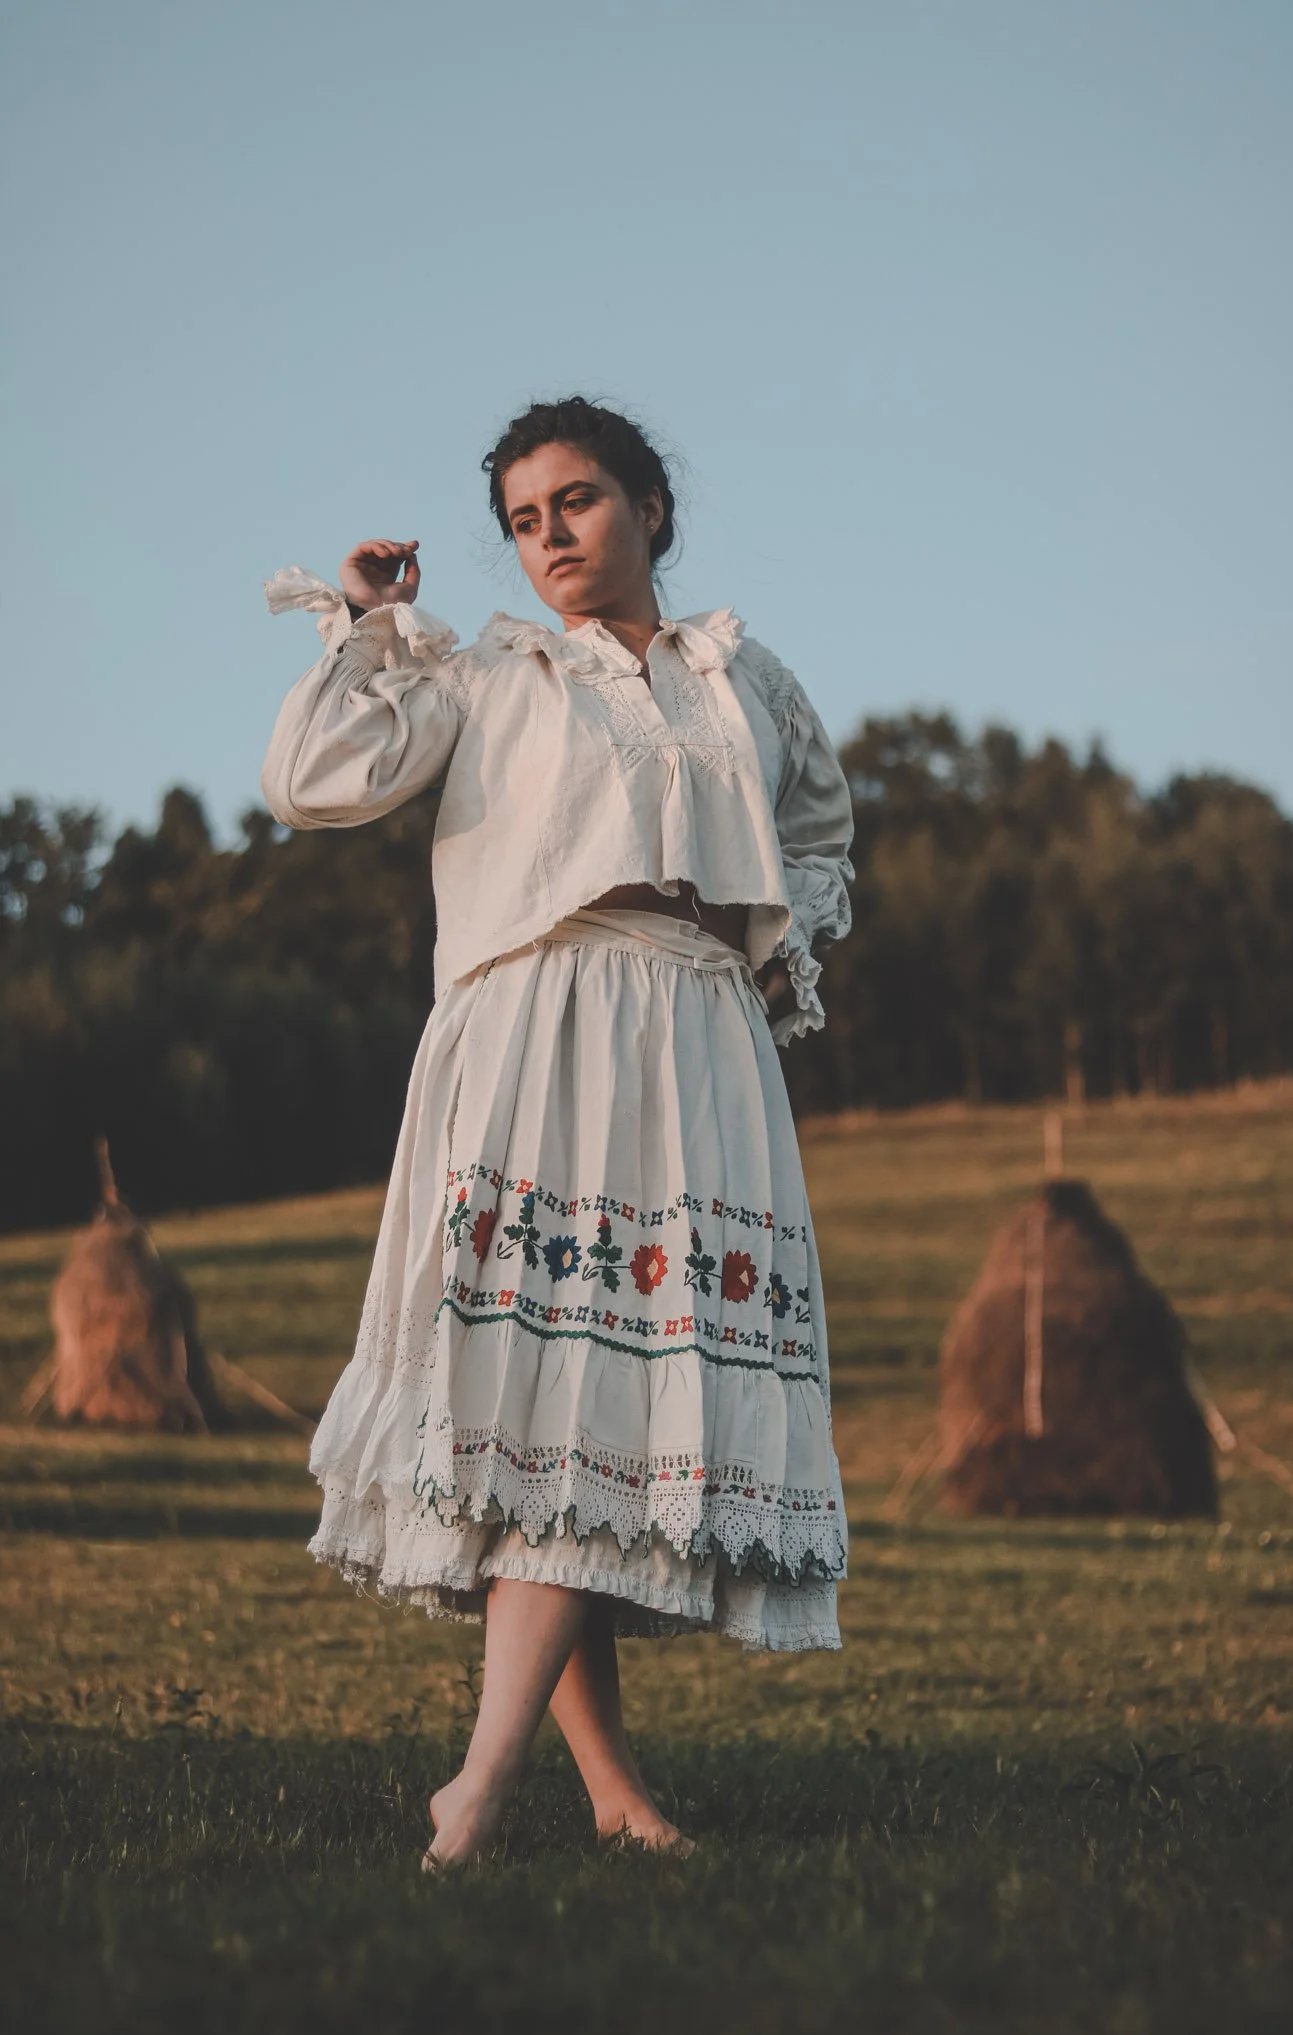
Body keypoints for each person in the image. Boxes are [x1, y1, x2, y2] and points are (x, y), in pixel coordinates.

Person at [261, 397, 854, 1868]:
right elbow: (313, 784)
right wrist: (369, 622)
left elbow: (824, 836)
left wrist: (774, 941)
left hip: (703, 1038)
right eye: (525, 521)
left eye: (577, 503)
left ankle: (607, 1794)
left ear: (652, 508)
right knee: (562, 1398)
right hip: (542, 1036)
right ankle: (479, 1789)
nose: (551, 540)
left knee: (598, 1414)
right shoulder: (494, 671)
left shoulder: (747, 679)